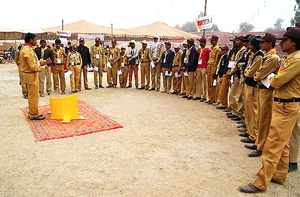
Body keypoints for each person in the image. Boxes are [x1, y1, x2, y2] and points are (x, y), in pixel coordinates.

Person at [239, 26, 300, 193]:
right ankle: (279, 175)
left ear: (294, 42)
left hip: (287, 106)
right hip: (283, 103)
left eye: (285, 40)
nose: (281, 43)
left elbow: (276, 81)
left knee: (272, 145)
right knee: (283, 144)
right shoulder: (290, 58)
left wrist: (272, 79)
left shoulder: (296, 60)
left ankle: (260, 183)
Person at [247, 33, 280, 157]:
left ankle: (261, 146)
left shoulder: (273, 57)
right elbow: (259, 74)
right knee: (260, 118)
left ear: (269, 44)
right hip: (261, 89)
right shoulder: (267, 56)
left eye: (263, 42)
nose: (260, 44)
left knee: (264, 119)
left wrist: (257, 76)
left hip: (267, 91)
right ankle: (258, 142)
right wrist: (258, 76)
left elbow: (258, 75)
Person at [240, 36, 264, 149]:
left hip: (253, 86)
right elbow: (248, 69)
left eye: (250, 45)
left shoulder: (259, 56)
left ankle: (253, 135)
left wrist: (246, 72)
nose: (249, 47)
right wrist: (246, 71)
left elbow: (250, 72)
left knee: (253, 111)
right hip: (248, 85)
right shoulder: (253, 55)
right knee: (248, 109)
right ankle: (249, 131)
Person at [19, 33, 51, 120]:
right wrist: (44, 67)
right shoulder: (28, 51)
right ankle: (33, 114)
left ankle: (33, 112)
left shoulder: (27, 49)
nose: (36, 42)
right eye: (35, 40)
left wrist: (44, 62)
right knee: (33, 95)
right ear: (31, 40)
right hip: (30, 75)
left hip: (30, 74)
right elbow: (33, 67)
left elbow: (35, 62)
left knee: (33, 95)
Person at [194, 37, 210, 101]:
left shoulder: (207, 50)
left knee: (204, 82)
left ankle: (204, 96)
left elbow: (208, 58)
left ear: (205, 43)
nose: (200, 43)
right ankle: (198, 94)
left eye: (202, 42)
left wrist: (207, 68)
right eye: (200, 42)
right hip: (199, 67)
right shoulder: (199, 50)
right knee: (198, 81)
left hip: (204, 67)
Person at [206, 35, 221, 104]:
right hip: (209, 66)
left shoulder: (218, 49)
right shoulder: (212, 48)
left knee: (213, 83)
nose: (211, 42)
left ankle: (214, 98)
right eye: (211, 40)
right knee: (209, 82)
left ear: (216, 41)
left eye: (212, 40)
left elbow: (217, 60)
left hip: (213, 66)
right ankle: (210, 97)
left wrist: (215, 71)